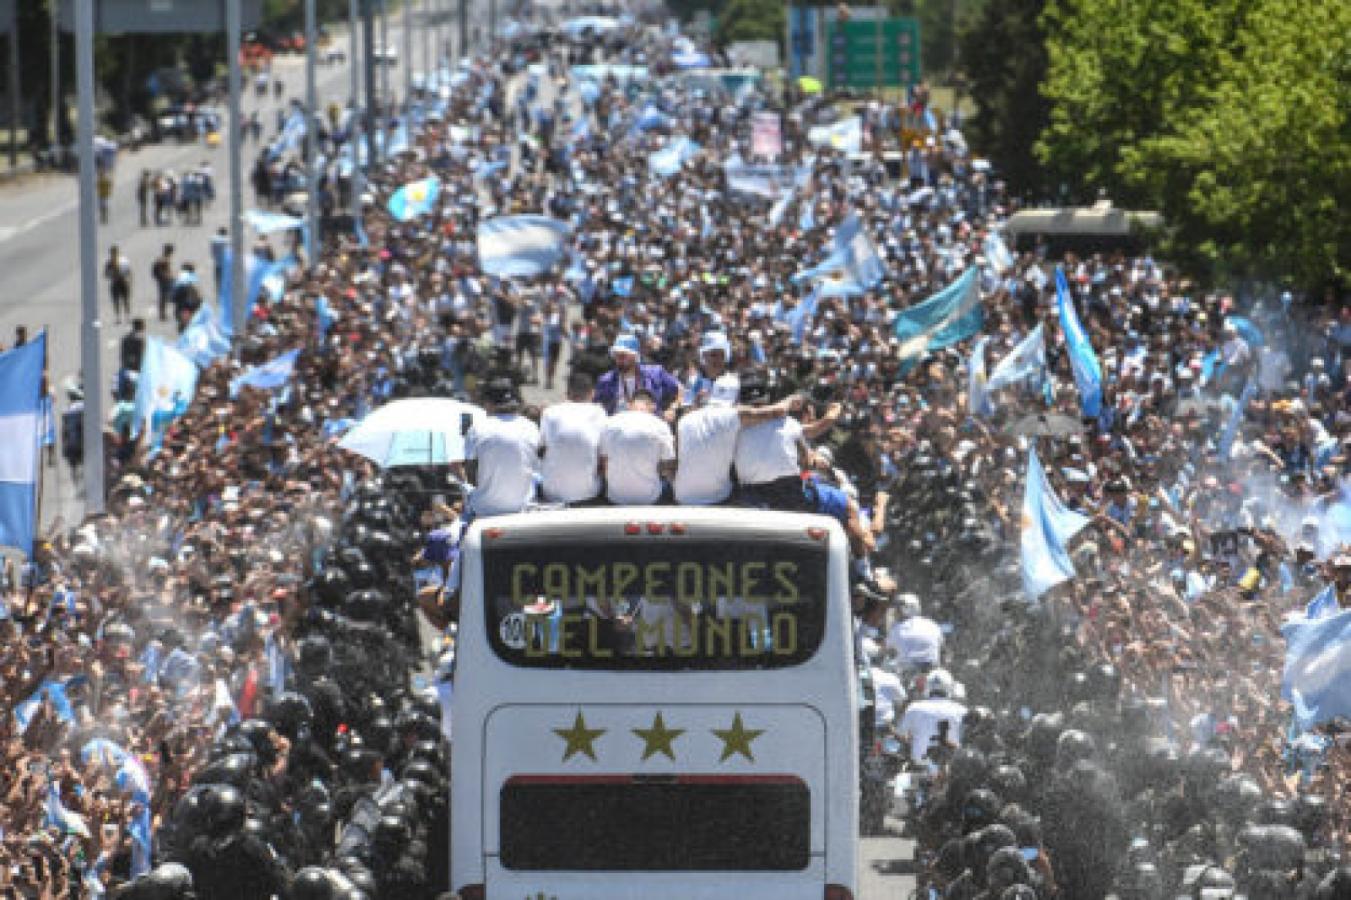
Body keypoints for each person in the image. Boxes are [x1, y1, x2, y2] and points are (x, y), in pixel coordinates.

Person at [673, 383, 804, 506]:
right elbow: (778, 411)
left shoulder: (684, 419)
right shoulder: (735, 415)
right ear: (737, 400)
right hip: (717, 498)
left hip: (682, 497)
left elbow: (675, 459)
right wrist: (790, 400)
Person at [459, 377, 540, 518]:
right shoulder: (531, 427)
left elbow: (471, 476)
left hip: (484, 510)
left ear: (488, 404)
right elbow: (537, 466)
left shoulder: (477, 429)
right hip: (523, 508)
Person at [733, 369, 811, 510]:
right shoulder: (789, 422)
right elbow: (806, 458)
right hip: (789, 491)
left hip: (753, 493)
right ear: (767, 398)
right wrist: (804, 479)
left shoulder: (734, 427)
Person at [597, 389, 675, 505]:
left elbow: (604, 462)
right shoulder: (660, 425)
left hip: (616, 496)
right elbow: (668, 466)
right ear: (652, 407)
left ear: (630, 405)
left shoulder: (610, 422)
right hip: (650, 498)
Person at [538, 373, 607, 505]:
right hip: (588, 493)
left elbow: (541, 448)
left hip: (551, 493)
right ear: (592, 393)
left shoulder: (550, 412)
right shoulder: (599, 412)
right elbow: (604, 455)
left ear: (567, 393)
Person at [592, 334, 680, 415]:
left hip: (650, 424)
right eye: (617, 355)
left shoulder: (655, 373)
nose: (619, 359)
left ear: (635, 356)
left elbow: (679, 390)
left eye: (623, 355)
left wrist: (672, 409)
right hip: (618, 426)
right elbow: (597, 406)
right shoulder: (606, 381)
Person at [896, 668, 967, 764]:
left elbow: (901, 735)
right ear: (950, 687)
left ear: (927, 687)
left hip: (920, 768)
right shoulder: (962, 711)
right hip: (951, 771)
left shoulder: (914, 708)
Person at [885, 593, 944, 673]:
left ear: (908, 609)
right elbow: (941, 645)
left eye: (898, 610)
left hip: (907, 672)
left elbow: (888, 649)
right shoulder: (933, 625)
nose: (896, 613)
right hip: (932, 671)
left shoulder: (897, 629)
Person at [105, 245, 133, 324]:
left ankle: (127, 316)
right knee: (116, 301)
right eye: (112, 253)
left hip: (124, 282)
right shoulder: (109, 263)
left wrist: (130, 281)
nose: (114, 254)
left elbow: (129, 271)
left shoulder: (123, 261)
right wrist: (111, 274)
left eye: (115, 252)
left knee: (126, 300)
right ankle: (118, 317)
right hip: (115, 283)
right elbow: (106, 274)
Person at [152, 244, 176, 322]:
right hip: (165, 281)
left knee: (163, 297)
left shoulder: (162, 259)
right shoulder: (164, 260)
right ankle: (162, 314)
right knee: (164, 297)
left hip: (162, 280)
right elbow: (165, 271)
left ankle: (162, 314)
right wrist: (169, 277)